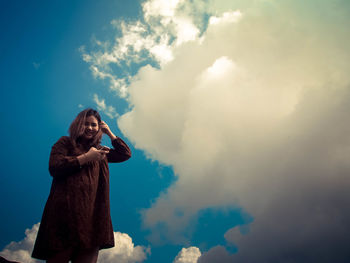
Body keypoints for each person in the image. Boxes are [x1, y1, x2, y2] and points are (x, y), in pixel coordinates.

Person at [32, 108, 131, 263]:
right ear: (78, 125)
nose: (90, 128)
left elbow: (125, 154)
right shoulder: (65, 143)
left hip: (93, 221)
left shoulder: (101, 151)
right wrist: (86, 157)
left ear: (99, 128)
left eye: (94, 125)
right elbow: (55, 167)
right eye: (86, 124)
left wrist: (110, 133)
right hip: (64, 217)